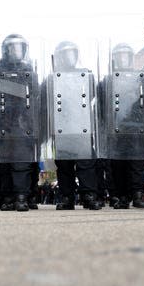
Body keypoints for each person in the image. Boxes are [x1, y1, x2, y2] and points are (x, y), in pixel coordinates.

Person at [0, 34, 40, 212]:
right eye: (13, 47)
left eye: (20, 47)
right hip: (3, 124)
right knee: (5, 163)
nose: (17, 51)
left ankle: (22, 196)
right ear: (5, 50)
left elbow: (35, 97)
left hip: (23, 124)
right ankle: (6, 196)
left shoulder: (29, 72)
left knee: (22, 163)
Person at [45, 41, 101, 210]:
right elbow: (46, 101)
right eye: (65, 54)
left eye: (72, 53)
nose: (69, 57)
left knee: (86, 164)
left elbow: (92, 96)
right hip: (61, 127)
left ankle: (89, 196)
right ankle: (66, 197)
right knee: (64, 166)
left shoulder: (85, 75)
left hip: (82, 125)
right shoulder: (52, 77)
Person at [99, 42, 144, 209]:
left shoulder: (140, 78)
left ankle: (137, 194)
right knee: (118, 165)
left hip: (137, 128)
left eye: (125, 56)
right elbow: (100, 107)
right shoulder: (107, 81)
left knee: (137, 164)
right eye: (119, 56)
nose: (122, 59)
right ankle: (122, 196)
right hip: (115, 129)